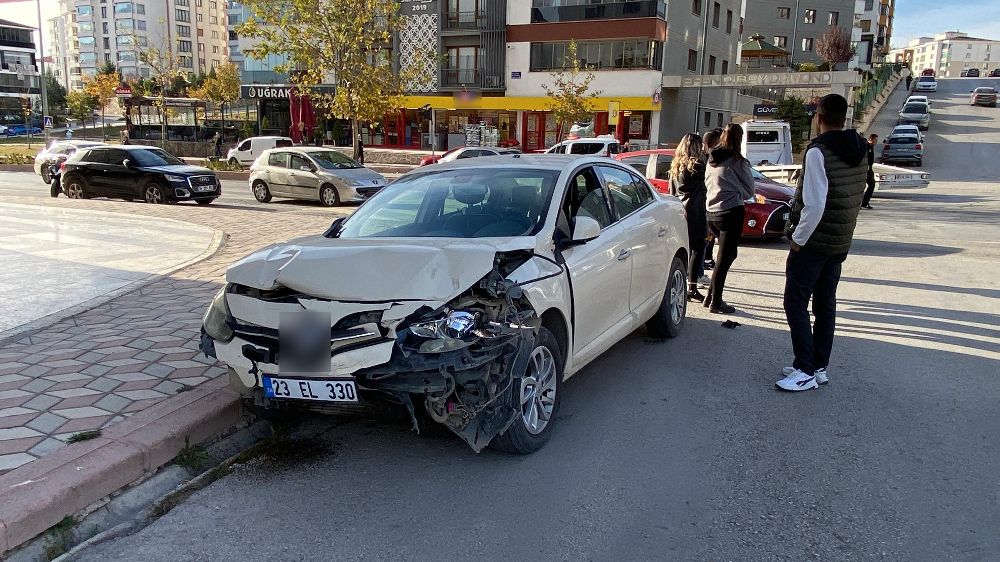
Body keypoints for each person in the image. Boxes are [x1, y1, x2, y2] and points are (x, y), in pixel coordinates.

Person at [776, 93, 868, 392]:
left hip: (814, 241)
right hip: (839, 241)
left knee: (795, 302)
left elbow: (814, 204)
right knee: (825, 304)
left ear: (818, 118)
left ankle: (804, 369)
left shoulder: (818, 152)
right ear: (844, 118)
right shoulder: (860, 149)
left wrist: (798, 240)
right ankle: (818, 365)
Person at [703, 123, 755, 314]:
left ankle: (710, 296)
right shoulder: (737, 161)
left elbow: (708, 183)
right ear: (739, 139)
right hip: (731, 211)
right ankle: (716, 302)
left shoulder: (711, 159)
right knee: (725, 258)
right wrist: (734, 190)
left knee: (723, 256)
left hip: (711, 213)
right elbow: (750, 190)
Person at [668, 133, 708, 302]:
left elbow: (671, 191)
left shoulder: (675, 166)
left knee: (684, 248)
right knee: (697, 249)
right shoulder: (698, 166)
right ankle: (692, 286)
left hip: (680, 209)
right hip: (696, 210)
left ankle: (682, 284)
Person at [700, 128, 723, 279]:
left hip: (706, 205)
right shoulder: (704, 161)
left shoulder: (709, 159)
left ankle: (706, 260)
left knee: (708, 237)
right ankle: (699, 271)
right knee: (703, 239)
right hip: (703, 206)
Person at [862, 133, 878, 209]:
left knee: (871, 184)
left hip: (869, 168)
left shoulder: (871, 147)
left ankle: (865, 202)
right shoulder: (866, 146)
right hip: (866, 168)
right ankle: (863, 203)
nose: (876, 142)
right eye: (875, 140)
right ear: (871, 139)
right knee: (867, 185)